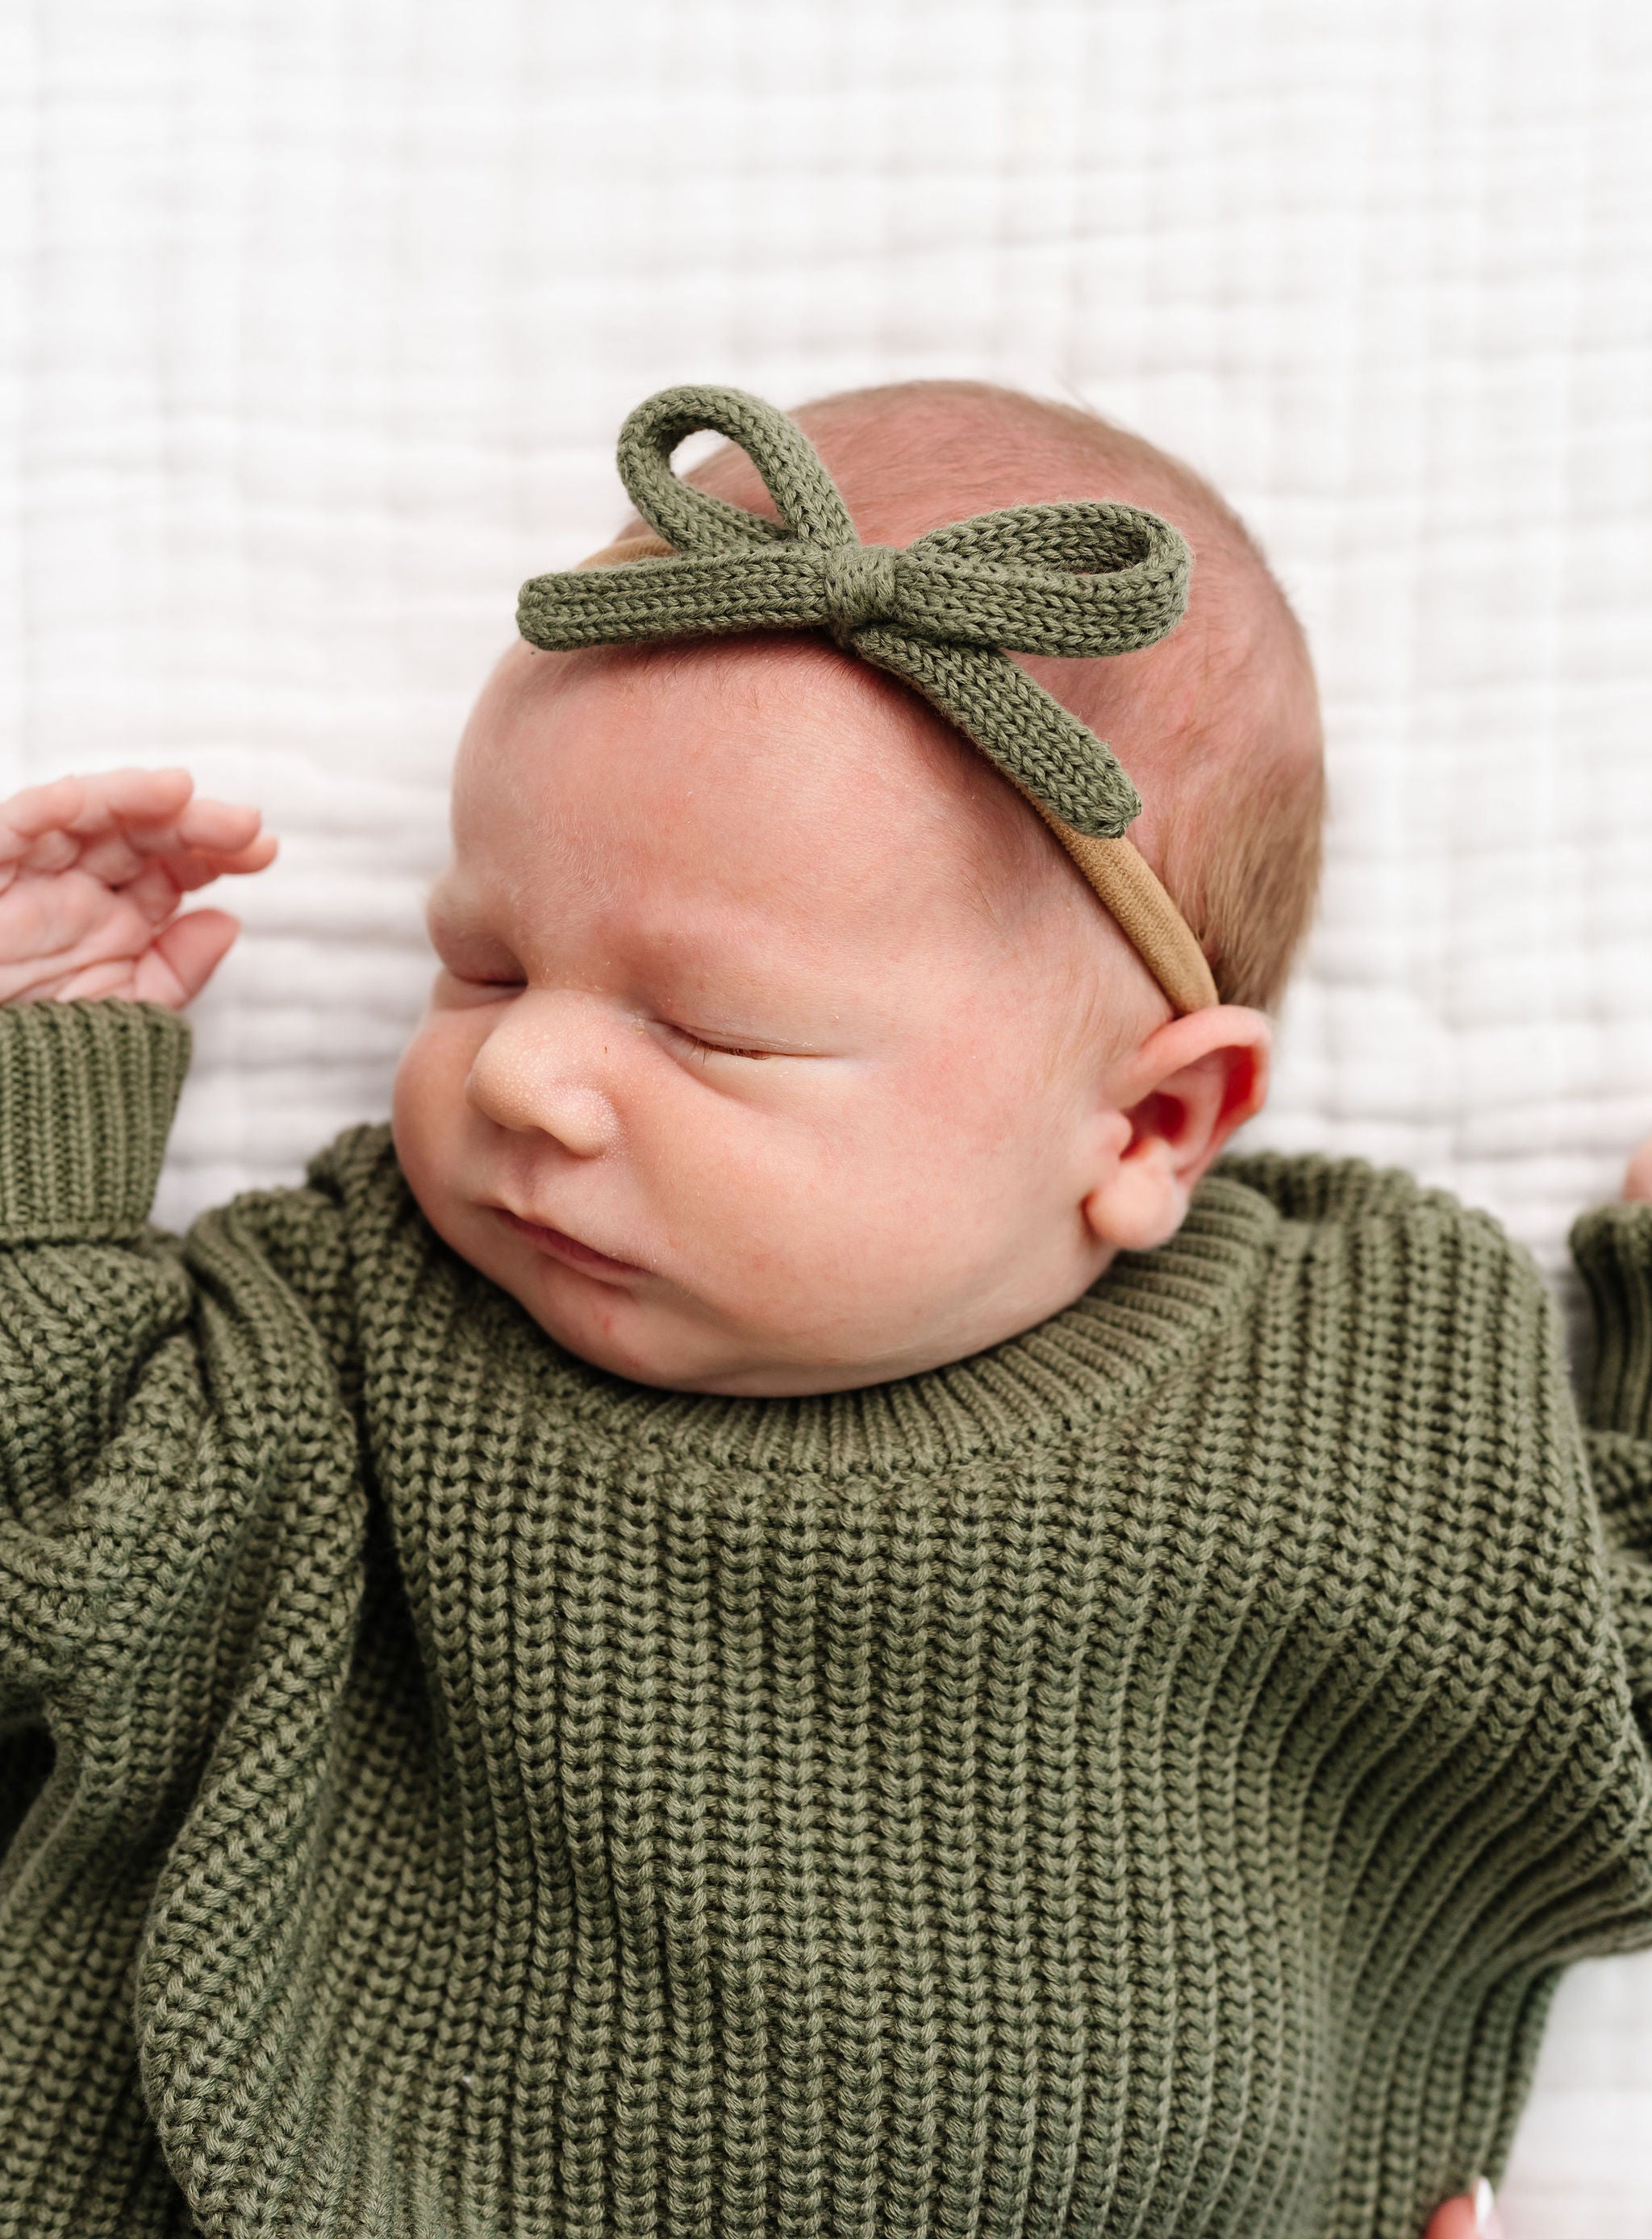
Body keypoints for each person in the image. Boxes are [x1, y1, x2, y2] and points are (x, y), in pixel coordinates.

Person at [2, 381, 1647, 2239]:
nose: (527, 1072)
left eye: (713, 1028)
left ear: (1150, 1120)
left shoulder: (1363, 1387)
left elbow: (1620, 1709)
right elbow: (52, 1543)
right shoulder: (360, 1320)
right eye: (481, 962)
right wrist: (47, 1102)